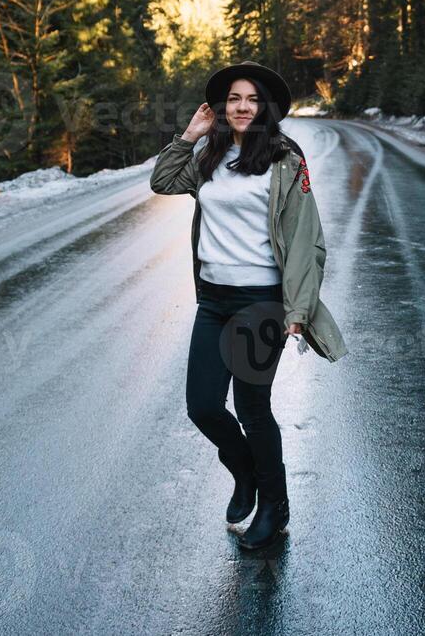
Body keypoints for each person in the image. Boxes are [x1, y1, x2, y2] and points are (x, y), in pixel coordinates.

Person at [149, 61, 346, 552]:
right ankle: (246, 474)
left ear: (265, 108)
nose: (241, 107)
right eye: (234, 99)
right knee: (202, 406)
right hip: (213, 300)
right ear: (222, 106)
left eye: (252, 100)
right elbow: (163, 183)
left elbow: (306, 239)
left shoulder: (285, 159)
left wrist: (296, 311)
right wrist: (189, 135)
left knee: (253, 410)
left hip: (261, 304)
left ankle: (274, 510)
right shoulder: (210, 155)